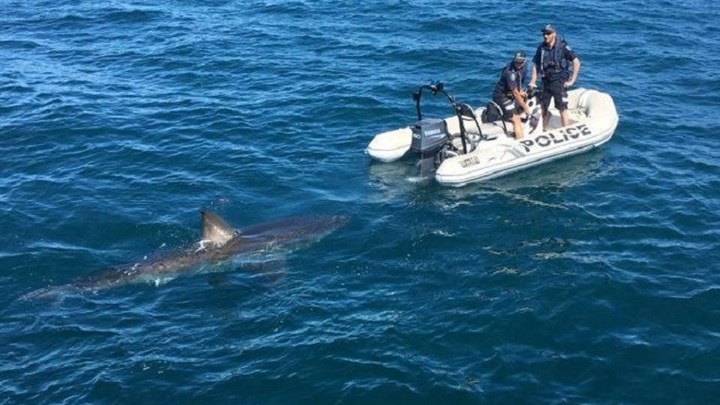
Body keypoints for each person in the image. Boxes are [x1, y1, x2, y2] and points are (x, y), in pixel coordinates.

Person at [528, 24, 580, 128]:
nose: (545, 36)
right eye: (544, 34)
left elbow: (576, 62)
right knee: (543, 108)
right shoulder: (541, 48)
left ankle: (566, 130)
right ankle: (542, 129)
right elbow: (536, 65)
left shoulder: (563, 47)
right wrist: (533, 81)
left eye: (548, 34)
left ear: (554, 34)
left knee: (562, 108)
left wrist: (572, 80)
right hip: (546, 81)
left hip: (559, 81)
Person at [492, 51, 531, 140]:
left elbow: (519, 81)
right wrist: (525, 107)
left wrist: (520, 90)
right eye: (516, 62)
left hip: (510, 94)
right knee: (516, 119)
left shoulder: (524, 67)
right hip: (501, 96)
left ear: (524, 61)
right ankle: (520, 142)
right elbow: (515, 93)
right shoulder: (509, 72)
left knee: (524, 98)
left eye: (520, 62)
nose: (518, 64)